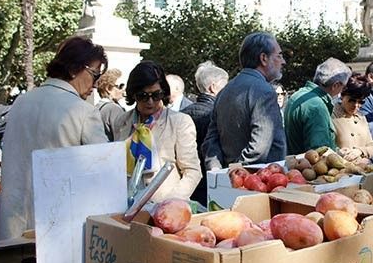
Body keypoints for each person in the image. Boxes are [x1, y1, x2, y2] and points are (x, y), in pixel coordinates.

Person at [0, 37, 108, 240]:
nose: (96, 83)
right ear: (74, 69)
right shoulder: (83, 112)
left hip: (12, 223)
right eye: (94, 74)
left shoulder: (21, 102)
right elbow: (104, 171)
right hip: (56, 227)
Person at [111, 61, 201, 201]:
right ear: (133, 94)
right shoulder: (121, 122)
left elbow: (192, 171)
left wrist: (170, 202)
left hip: (164, 207)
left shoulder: (180, 122)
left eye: (156, 95)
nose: (150, 102)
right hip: (125, 205)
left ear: (163, 93)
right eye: (143, 96)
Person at [204, 32, 286, 170]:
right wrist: (236, 171)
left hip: (231, 180)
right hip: (258, 181)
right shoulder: (264, 91)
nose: (283, 61)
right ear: (264, 58)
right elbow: (259, 147)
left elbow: (211, 140)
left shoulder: (225, 91)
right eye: (279, 55)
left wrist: (218, 172)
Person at [182, 62, 229, 205]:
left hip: (189, 183)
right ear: (213, 87)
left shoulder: (183, 114)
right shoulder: (218, 115)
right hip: (211, 182)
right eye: (225, 85)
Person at [285, 57, 351, 155]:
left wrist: (337, 152)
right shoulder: (316, 105)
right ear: (335, 85)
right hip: (307, 168)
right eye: (343, 86)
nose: (342, 90)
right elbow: (319, 153)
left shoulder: (298, 95)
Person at [332, 74, 373, 162]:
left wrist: (360, 151)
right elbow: (324, 146)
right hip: (340, 171)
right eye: (351, 100)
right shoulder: (331, 116)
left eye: (361, 102)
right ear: (342, 96)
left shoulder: (361, 118)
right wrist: (338, 152)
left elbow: (372, 147)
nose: (356, 105)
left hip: (363, 168)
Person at [95, 68, 126, 140]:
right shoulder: (113, 109)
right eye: (120, 86)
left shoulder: (99, 106)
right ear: (108, 88)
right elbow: (122, 138)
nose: (123, 89)